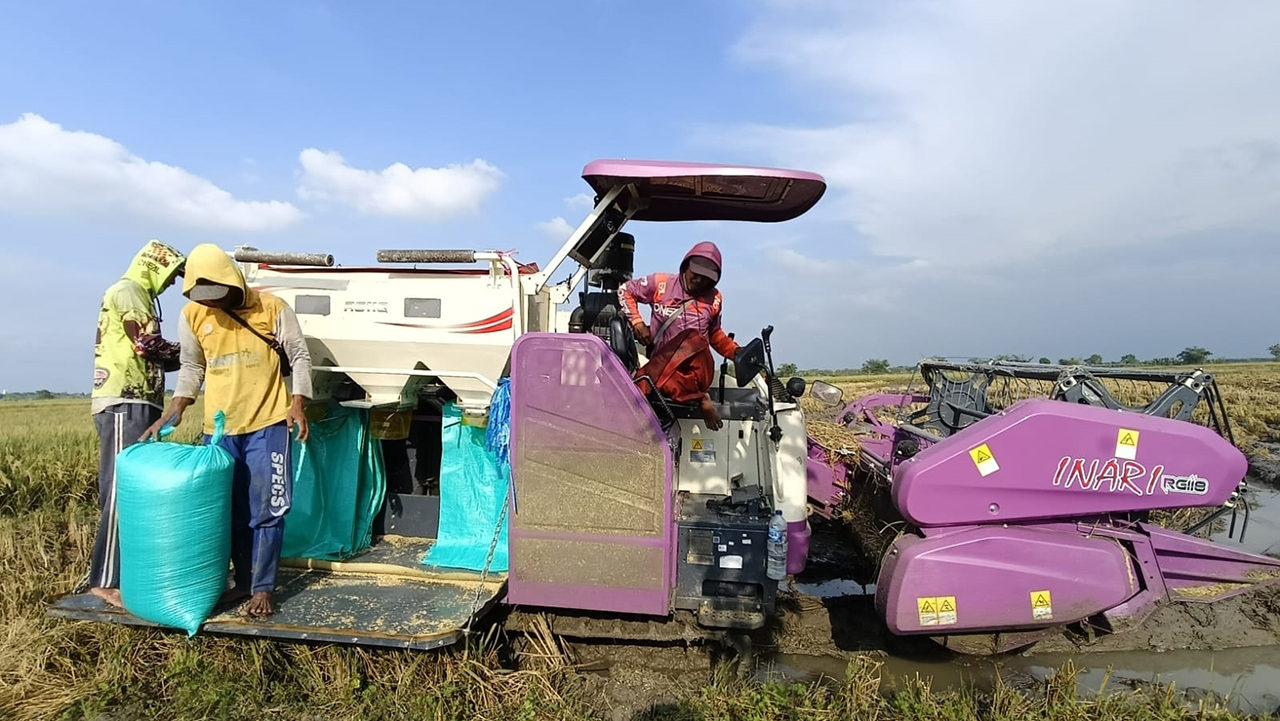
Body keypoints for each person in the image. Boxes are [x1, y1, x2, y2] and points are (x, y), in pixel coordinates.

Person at [143, 243, 313, 618]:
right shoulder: (192, 315)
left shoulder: (272, 309)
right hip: (219, 431)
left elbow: (299, 356)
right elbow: (191, 367)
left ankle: (264, 587)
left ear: (234, 282)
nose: (215, 305)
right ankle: (241, 582)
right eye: (209, 300)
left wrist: (297, 403)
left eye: (221, 297)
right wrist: (176, 409)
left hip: (268, 422)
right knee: (228, 510)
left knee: (268, 509)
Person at [88, 240, 187, 608]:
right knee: (120, 489)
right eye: (171, 275)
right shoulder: (130, 291)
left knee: (134, 488)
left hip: (140, 399)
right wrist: (193, 352)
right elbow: (147, 346)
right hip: (123, 400)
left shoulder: (136, 292)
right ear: (154, 267)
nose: (171, 285)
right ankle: (104, 580)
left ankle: (127, 573)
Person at [618, 241, 741, 430]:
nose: (700, 281)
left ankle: (699, 396)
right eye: (696, 275)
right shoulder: (661, 284)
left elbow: (715, 334)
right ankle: (699, 399)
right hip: (666, 369)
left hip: (697, 371)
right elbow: (625, 290)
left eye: (706, 278)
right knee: (651, 380)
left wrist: (736, 353)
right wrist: (637, 323)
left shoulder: (715, 298)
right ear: (686, 267)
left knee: (692, 338)